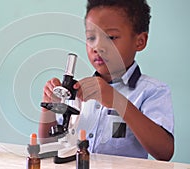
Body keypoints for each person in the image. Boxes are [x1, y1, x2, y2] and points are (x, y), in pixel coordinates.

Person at [39, 0, 174, 161]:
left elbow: (164, 152)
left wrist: (117, 101)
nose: (98, 46)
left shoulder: (153, 91)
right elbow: (49, 144)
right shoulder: (77, 91)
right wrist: (48, 109)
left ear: (140, 41)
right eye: (91, 37)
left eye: (110, 37)